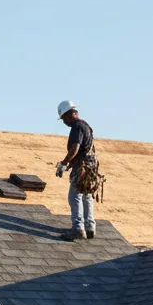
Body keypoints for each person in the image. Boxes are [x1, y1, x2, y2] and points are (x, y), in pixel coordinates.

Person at [55, 100, 99, 241]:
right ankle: (90, 226)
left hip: (82, 169)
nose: (64, 122)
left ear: (70, 114)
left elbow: (75, 148)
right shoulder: (86, 126)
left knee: (74, 197)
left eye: (64, 118)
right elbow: (85, 150)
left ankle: (78, 228)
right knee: (87, 196)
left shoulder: (77, 127)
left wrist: (64, 162)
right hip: (90, 169)